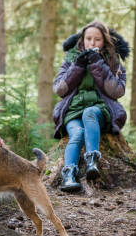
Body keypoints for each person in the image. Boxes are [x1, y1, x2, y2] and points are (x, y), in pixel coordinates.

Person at [52, 21, 129, 193]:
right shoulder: (70, 61)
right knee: (77, 133)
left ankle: (91, 161)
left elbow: (117, 91)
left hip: (99, 110)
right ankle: (69, 175)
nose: (92, 43)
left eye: (97, 39)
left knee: (89, 113)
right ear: (82, 40)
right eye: (88, 39)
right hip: (72, 111)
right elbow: (60, 89)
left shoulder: (113, 62)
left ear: (104, 42)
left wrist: (97, 63)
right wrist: (78, 66)